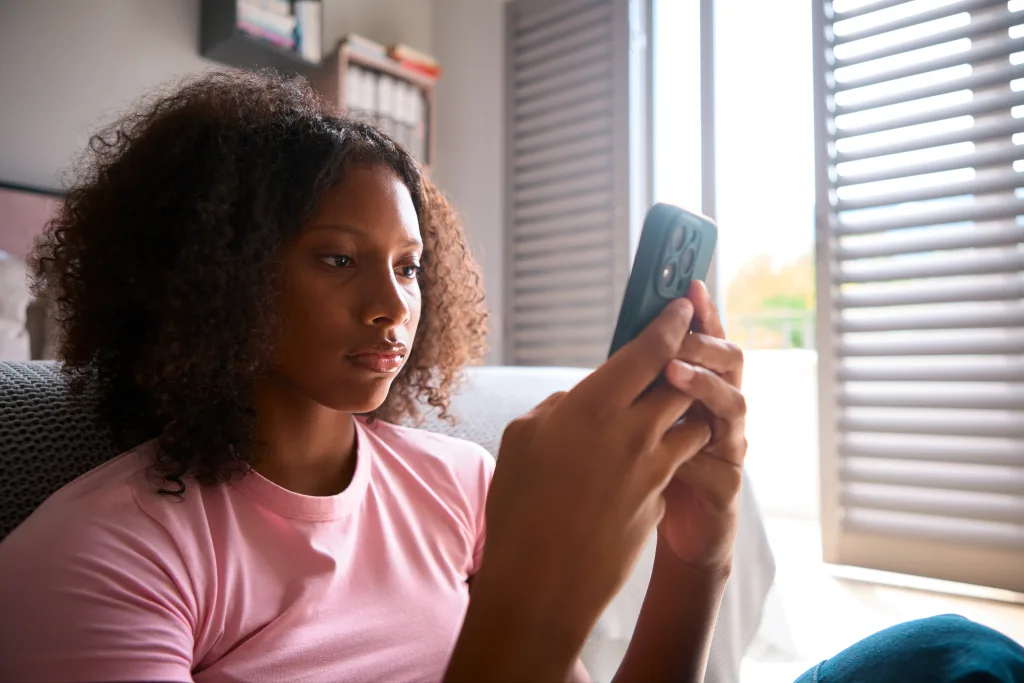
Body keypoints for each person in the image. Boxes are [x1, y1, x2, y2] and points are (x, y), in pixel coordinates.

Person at [0, 70, 1019, 683]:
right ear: (212, 271)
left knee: (945, 651)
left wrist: (694, 558)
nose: (395, 304)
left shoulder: (453, 479)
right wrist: (532, 602)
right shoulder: (101, 556)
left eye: (409, 266)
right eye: (339, 258)